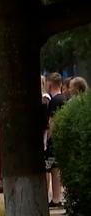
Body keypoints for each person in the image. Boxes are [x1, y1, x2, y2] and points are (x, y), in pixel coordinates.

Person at [45, 72, 66, 208]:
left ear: (50, 84)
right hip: (61, 138)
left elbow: (52, 122)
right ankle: (57, 198)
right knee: (56, 169)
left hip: (54, 140)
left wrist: (48, 138)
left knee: (50, 168)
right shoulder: (63, 98)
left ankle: (55, 198)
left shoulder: (54, 101)